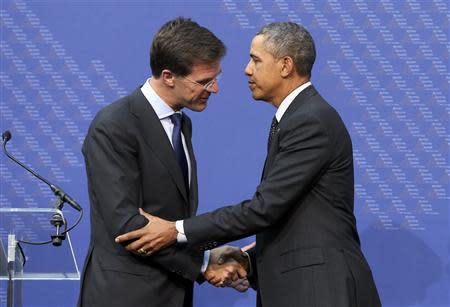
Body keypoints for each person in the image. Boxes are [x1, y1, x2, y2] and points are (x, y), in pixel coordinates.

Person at [116, 22, 381, 307]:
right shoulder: (297, 118)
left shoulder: (310, 121)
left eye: (256, 59)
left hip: (320, 292)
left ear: (285, 65)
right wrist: (248, 261)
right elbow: (297, 216)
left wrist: (176, 230)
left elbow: (264, 209)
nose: (247, 69)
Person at [78, 17, 248, 307]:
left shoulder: (182, 123)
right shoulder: (115, 125)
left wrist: (207, 253)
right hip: (126, 296)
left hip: (173, 293)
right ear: (169, 76)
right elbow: (128, 226)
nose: (215, 88)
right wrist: (203, 263)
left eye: (216, 77)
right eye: (205, 81)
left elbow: (172, 220)